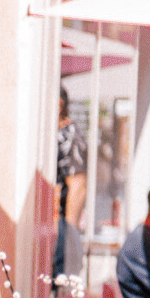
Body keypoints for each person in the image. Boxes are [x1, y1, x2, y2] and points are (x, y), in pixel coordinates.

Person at [53, 88, 86, 285]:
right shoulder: (56, 133)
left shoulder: (69, 136)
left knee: (62, 283)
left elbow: (77, 185)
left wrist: (69, 241)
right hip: (56, 224)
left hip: (60, 225)